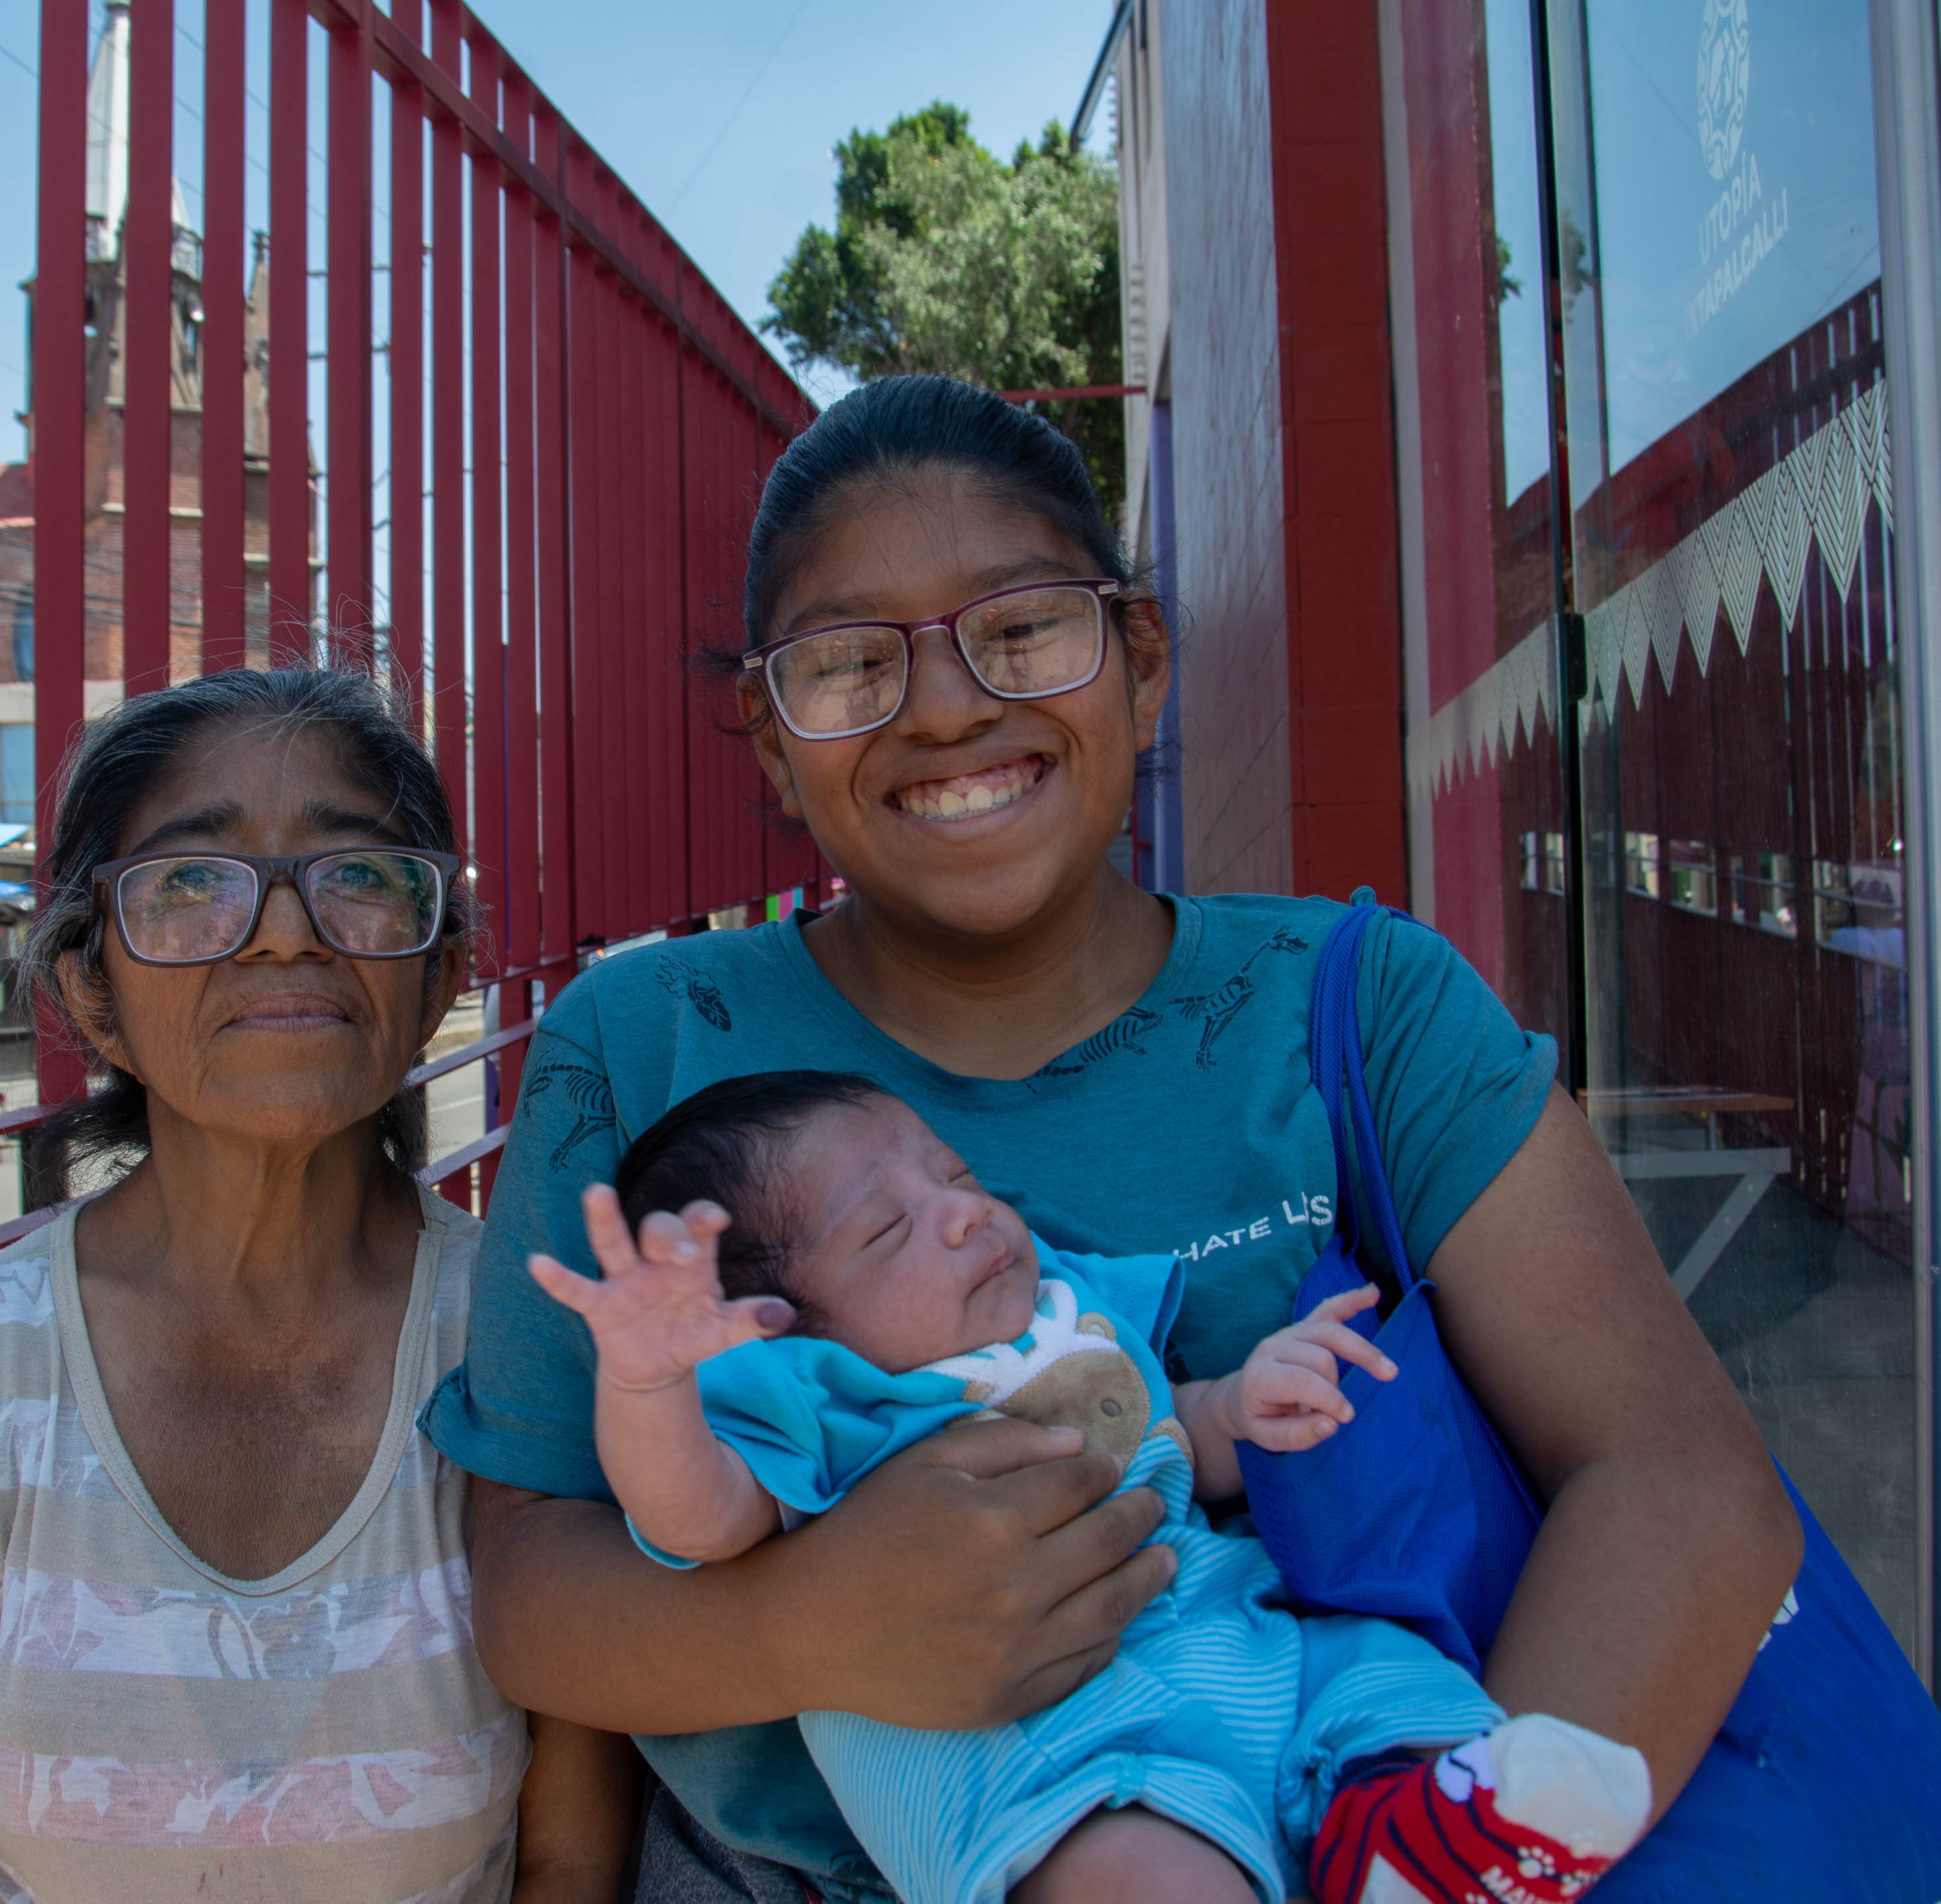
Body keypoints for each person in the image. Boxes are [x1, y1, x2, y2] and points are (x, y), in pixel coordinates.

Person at [420, 375, 1800, 1903]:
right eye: (845, 664)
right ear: (768, 739)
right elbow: (535, 1582)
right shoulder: (642, 1038)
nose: (944, 707)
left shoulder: (1358, 1003)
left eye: (1017, 632)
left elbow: (1674, 1476)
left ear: (1138, 664)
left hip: (1333, 1821)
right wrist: (805, 1622)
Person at [0, 670, 638, 1904]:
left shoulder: (537, 1346)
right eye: (188, 884)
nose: (286, 931)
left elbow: (569, 1865)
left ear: (439, 973)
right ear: (90, 993)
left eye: (358, 876)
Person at [535, 1069, 1650, 1904]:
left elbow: (1175, 1428)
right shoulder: (821, 1402)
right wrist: (650, 1383)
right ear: (774, 1329)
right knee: (1135, 1875)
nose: (964, 1210)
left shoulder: (1068, 1311)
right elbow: (697, 1518)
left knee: (1394, 1691)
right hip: (1040, 1755)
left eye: (955, 1176)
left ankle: (1404, 1844)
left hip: (1244, 1651)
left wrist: (1253, 1400)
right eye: (886, 1229)